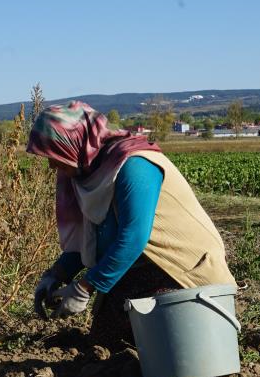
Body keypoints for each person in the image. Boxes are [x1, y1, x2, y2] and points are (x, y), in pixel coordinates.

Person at [27, 101, 235, 349]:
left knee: (165, 344)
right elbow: (91, 237)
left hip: (182, 270)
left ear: (74, 144)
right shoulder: (88, 174)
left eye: (55, 155)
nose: (52, 165)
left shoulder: (134, 165)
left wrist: (84, 288)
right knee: (107, 342)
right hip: (140, 267)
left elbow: (134, 236)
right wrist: (55, 275)